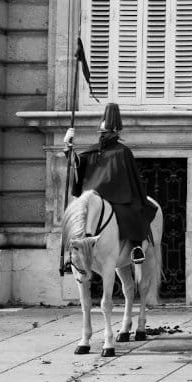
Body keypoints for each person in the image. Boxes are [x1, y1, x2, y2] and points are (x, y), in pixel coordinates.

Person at [63, 103, 153, 265]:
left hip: (118, 197)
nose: (105, 136)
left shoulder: (123, 152)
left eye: (108, 133)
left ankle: (136, 247)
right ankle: (72, 256)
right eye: (103, 133)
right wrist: (68, 146)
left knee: (131, 213)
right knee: (75, 218)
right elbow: (76, 163)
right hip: (92, 196)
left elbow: (131, 180)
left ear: (116, 133)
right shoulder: (93, 151)